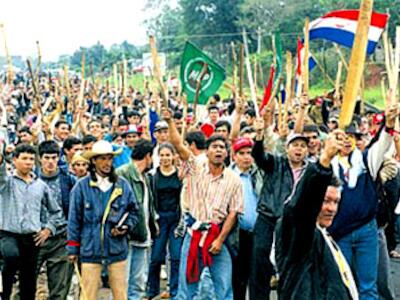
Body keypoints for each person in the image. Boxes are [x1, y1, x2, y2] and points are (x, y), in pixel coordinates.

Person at [163, 108, 243, 300]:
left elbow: (233, 213)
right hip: (193, 235)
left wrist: (220, 240)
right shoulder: (196, 166)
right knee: (186, 289)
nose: (218, 151)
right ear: (206, 151)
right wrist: (170, 122)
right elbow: (178, 145)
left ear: (227, 153)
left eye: (222, 148)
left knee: (224, 289)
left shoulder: (234, 179)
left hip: (217, 237)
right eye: (214, 147)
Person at [276, 131, 359, 300]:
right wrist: (324, 162)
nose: (331, 209)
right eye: (326, 201)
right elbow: (302, 206)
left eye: (336, 202)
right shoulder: (298, 231)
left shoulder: (323, 235)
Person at [328, 99, 397, 299]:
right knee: (343, 284)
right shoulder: (328, 165)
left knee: (368, 286)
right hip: (339, 231)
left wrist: (389, 124)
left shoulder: (367, 161)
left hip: (366, 230)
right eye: (344, 136)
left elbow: (382, 144)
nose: (349, 141)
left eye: (353, 136)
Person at [67, 140, 140, 300]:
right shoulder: (81, 187)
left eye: (109, 158)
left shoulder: (123, 185)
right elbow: (74, 220)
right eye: (102, 159)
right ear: (93, 160)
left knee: (121, 294)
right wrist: (73, 248)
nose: (107, 163)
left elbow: (134, 212)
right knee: (87, 295)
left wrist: (126, 226)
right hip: (90, 249)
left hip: (117, 248)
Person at [250, 118, 309, 299]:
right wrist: (259, 137)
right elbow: (259, 156)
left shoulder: (311, 171)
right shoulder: (275, 164)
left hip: (293, 225)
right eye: (295, 145)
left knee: (289, 269)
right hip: (268, 219)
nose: (299, 149)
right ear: (287, 148)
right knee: (260, 263)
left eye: (302, 146)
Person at [0, 143, 63, 300]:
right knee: (11, 258)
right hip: (8, 234)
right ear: (15, 160)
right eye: (24, 158)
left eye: (31, 159)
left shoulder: (40, 186)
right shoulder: (7, 182)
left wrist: (48, 229)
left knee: (29, 280)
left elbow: (56, 211)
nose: (28, 162)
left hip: (32, 237)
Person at [116, 139, 158, 300]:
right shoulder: (123, 174)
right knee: (122, 283)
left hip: (141, 235)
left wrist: (152, 223)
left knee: (138, 282)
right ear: (148, 156)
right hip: (126, 237)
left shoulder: (144, 177)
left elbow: (147, 205)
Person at [36, 140, 76, 299]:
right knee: (24, 285)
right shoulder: (31, 179)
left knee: (59, 290)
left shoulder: (68, 180)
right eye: (47, 158)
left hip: (61, 239)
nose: (50, 162)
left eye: (54, 158)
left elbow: (75, 210)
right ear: (40, 158)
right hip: (34, 238)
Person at [147, 143, 183, 299]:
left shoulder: (180, 175)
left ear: (174, 156)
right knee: (155, 257)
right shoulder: (153, 177)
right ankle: (151, 290)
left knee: (175, 257)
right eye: (162, 155)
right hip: (159, 219)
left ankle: (174, 290)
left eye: (168, 155)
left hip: (176, 219)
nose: (165, 158)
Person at [230, 137, 264, 300]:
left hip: (259, 233)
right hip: (237, 234)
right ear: (234, 156)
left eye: (249, 153)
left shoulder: (259, 174)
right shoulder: (228, 176)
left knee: (258, 277)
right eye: (241, 153)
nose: (246, 157)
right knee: (238, 278)